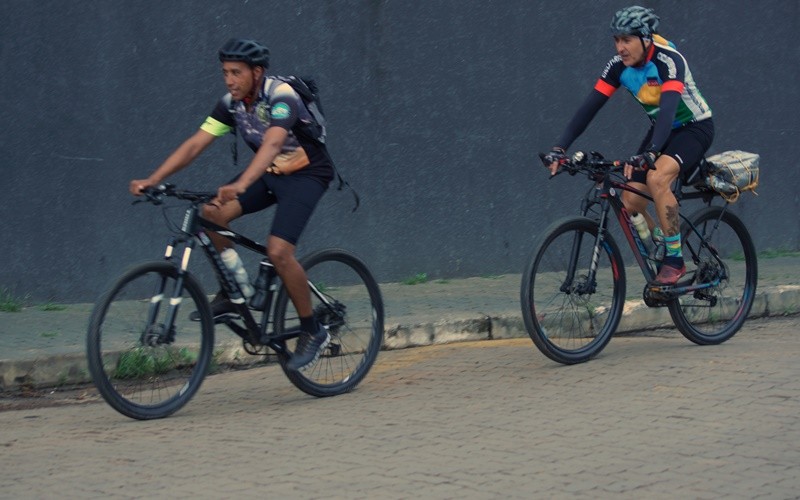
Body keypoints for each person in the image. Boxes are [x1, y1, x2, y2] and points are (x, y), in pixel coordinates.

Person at [130, 38, 333, 372]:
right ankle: (234, 288)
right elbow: (196, 144)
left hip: (307, 174)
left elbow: (273, 143)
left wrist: (241, 183)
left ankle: (313, 330)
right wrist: (154, 178)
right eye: (225, 72)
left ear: (257, 72)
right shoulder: (232, 104)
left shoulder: (282, 97)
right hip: (269, 173)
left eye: (236, 72)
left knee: (279, 251)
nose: (229, 80)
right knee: (211, 214)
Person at [546, 6, 714, 285]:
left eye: (627, 40)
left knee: (657, 178)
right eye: (616, 40)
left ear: (646, 39)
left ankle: (674, 260)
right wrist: (560, 147)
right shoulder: (618, 67)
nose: (620, 47)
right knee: (630, 200)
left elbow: (670, 110)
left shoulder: (668, 61)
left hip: (693, 128)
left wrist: (650, 153)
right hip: (660, 130)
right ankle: (662, 240)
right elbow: (589, 108)